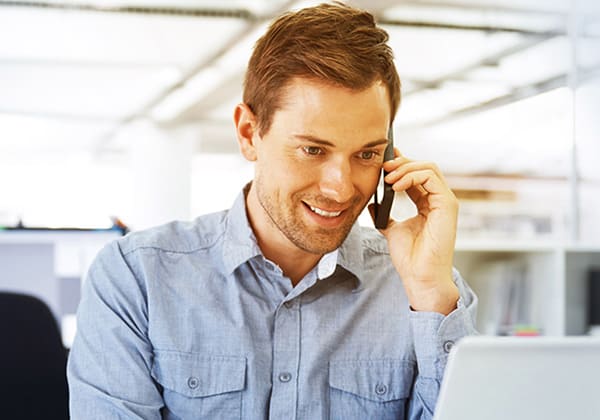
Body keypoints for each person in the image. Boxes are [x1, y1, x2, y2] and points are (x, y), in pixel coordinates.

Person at [67, 2, 477, 419]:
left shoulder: (426, 294)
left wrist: (430, 296)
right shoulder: (137, 279)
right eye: (312, 149)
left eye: (366, 154)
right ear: (249, 134)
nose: (340, 186)